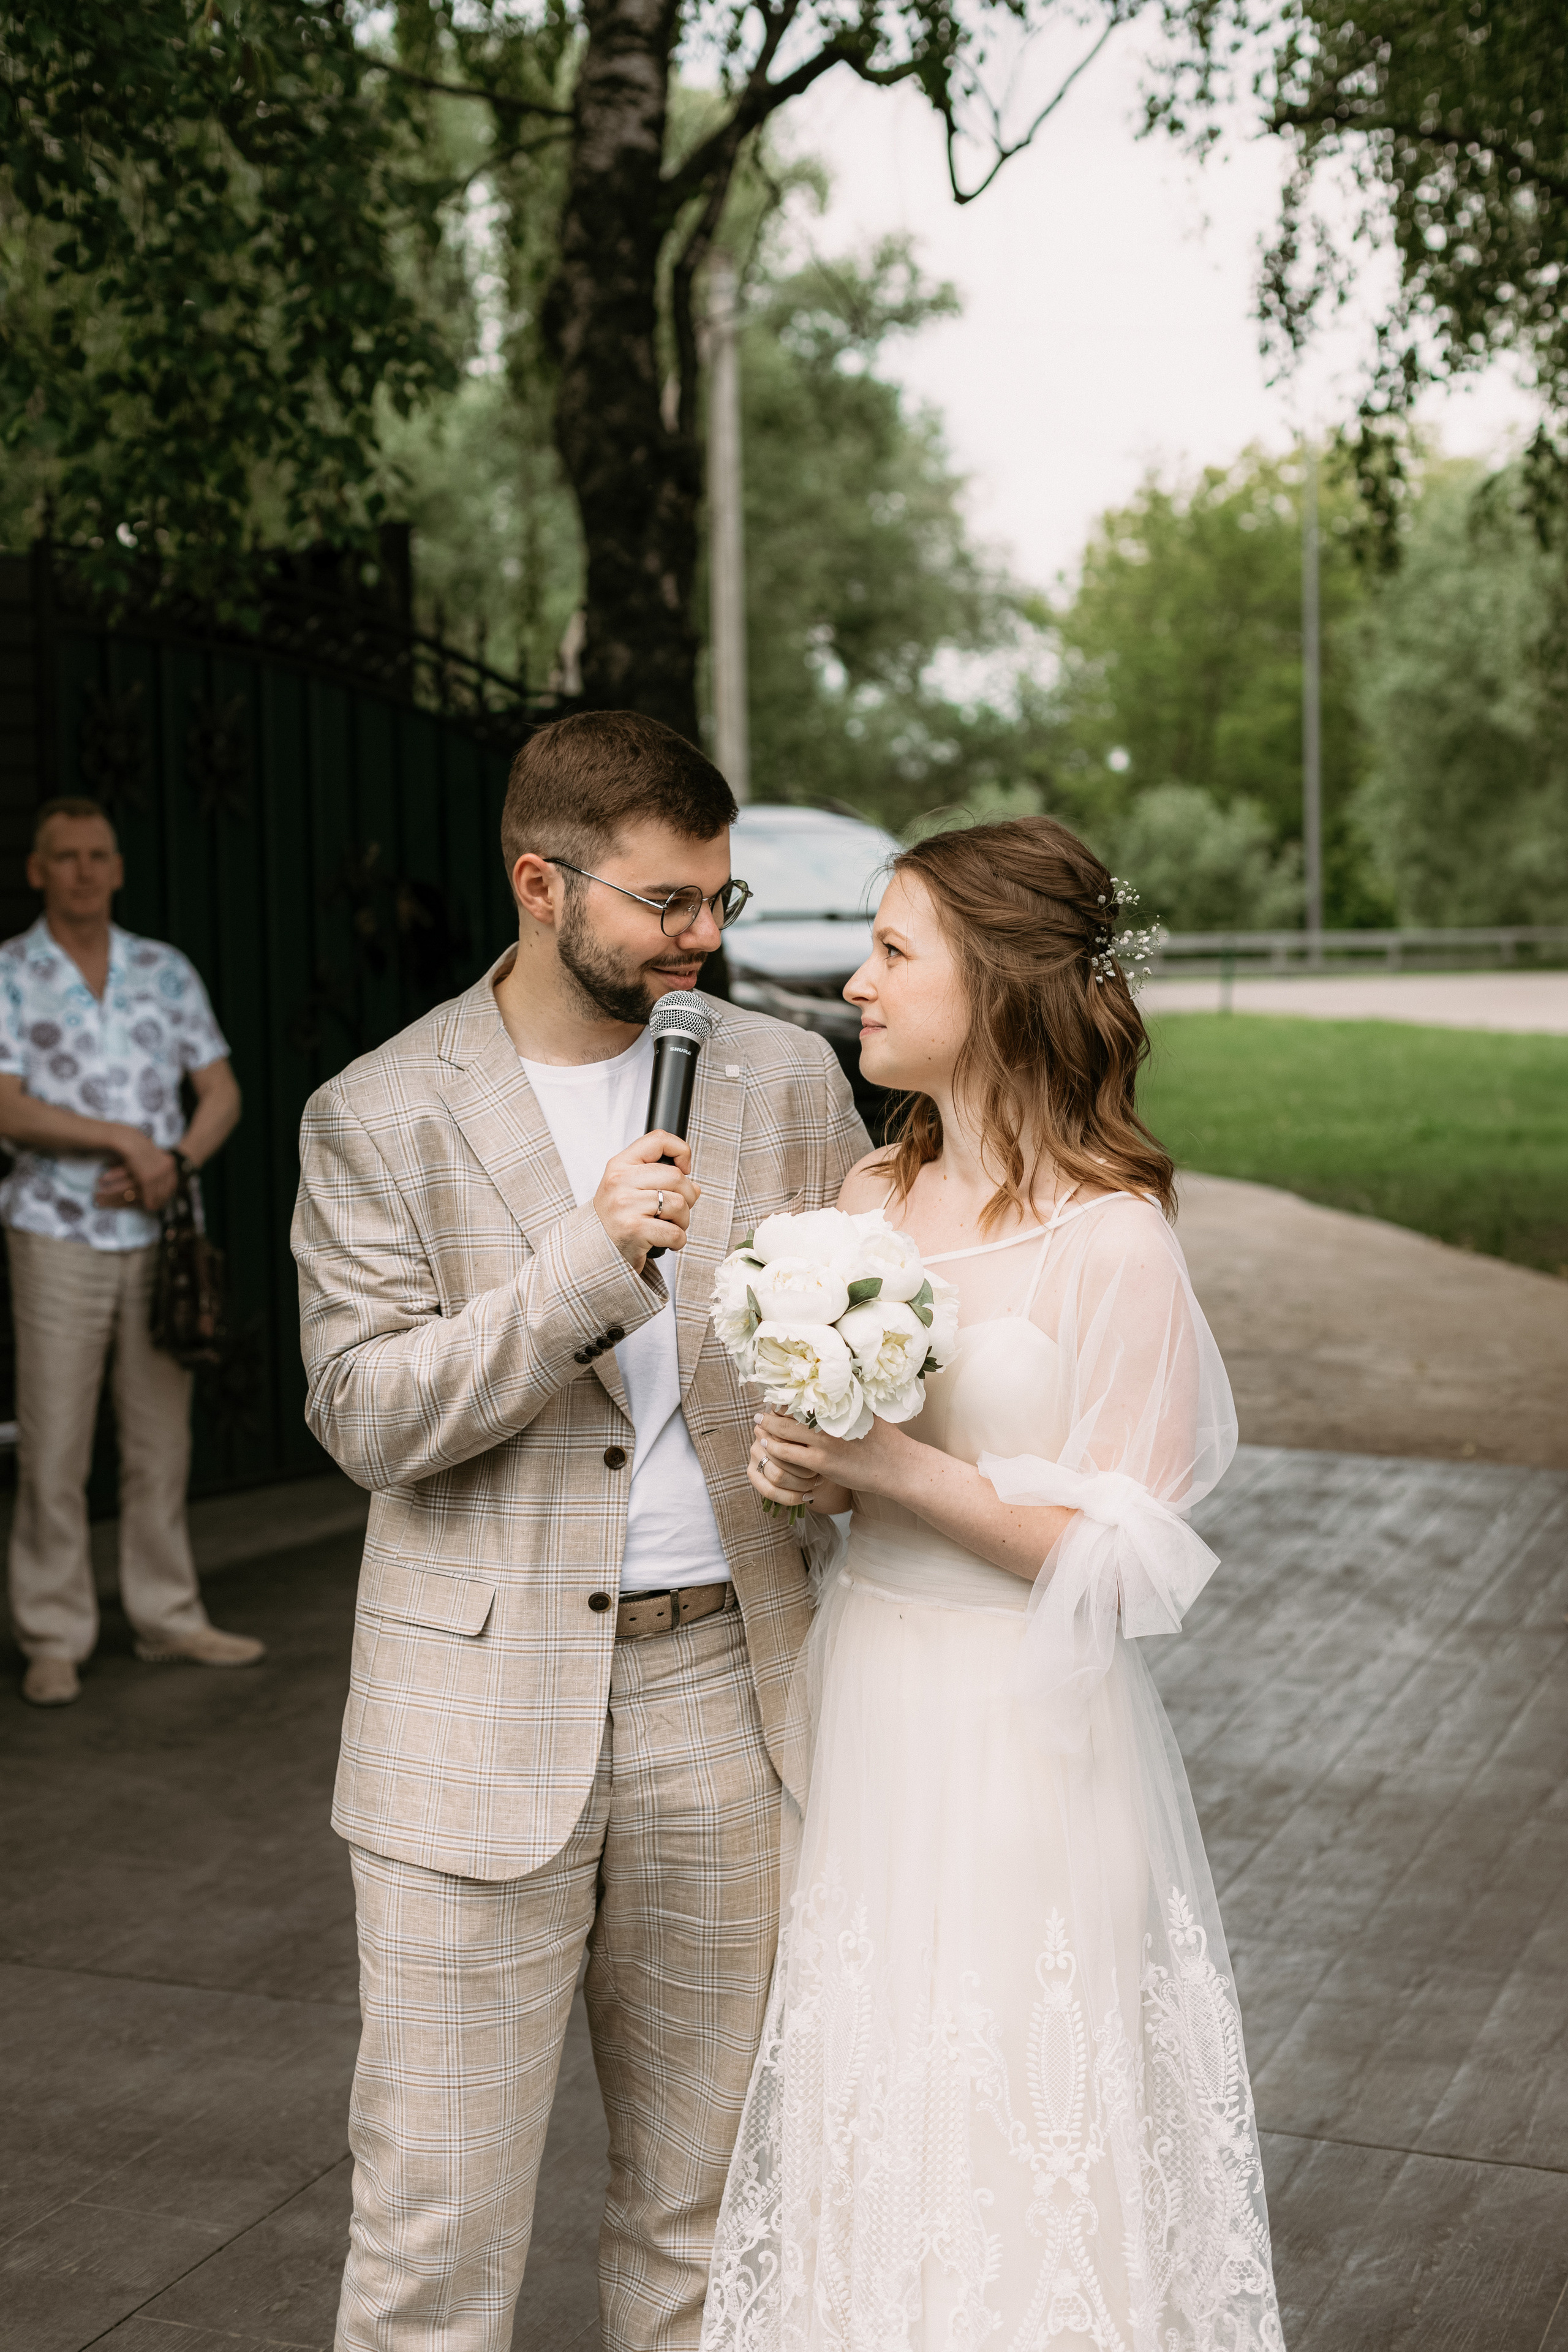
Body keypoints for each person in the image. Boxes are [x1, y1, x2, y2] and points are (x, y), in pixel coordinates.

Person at [292, 710, 869, 2352]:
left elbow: (857, 1320)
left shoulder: (786, 1077)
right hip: (467, 1728)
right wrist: (581, 1274)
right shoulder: (377, 1112)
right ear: (538, 882)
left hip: (732, 1697)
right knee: (435, 2240)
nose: (700, 937)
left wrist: (849, 1444)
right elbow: (363, 1415)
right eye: (663, 902)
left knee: (706, 2225)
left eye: (717, 900)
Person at [702, 817, 1285, 2351]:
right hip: (866, 1696)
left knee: (1015, 2113)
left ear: (1001, 986)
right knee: (873, 2090)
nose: (855, 981)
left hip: (1027, 1734)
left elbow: (1129, 1560)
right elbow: (856, 1462)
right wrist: (811, 1469)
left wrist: (897, 1472)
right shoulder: (864, 1199)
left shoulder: (1112, 1237)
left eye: (892, 952)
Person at [0, 796, 253, 1709]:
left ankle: (168, 1616)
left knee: (159, 1440)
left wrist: (172, 1163)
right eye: (64, 856)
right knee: (56, 1445)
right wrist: (123, 1141)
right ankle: (53, 1634)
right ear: (37, 870)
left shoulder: (163, 969)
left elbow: (220, 1091)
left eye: (97, 855)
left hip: (161, 1234)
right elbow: (4, 1103)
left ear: (117, 868)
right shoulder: (11, 971)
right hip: (54, 1228)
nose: (83, 870)